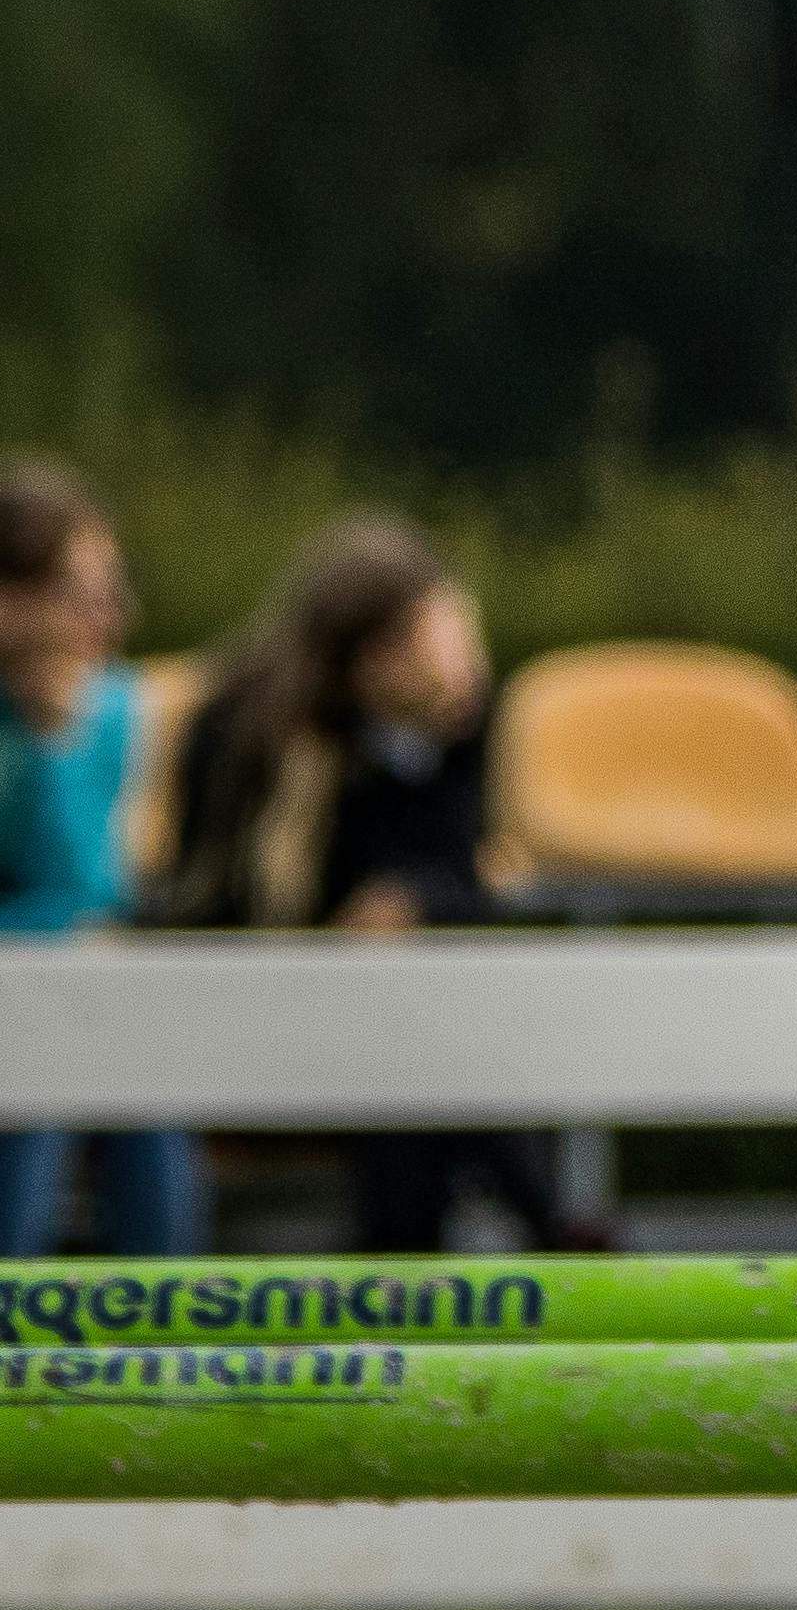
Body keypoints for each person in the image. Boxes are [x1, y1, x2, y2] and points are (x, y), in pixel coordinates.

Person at [159, 515, 602, 1251]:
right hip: (251, 1011)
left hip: (394, 1027)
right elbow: (215, 904)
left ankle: (446, 1279)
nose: (461, 664)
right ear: (369, 656)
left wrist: (410, 892)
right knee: (427, 1042)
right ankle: (554, 1234)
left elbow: (462, 889)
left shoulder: (452, 722)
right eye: (432, 641)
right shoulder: (237, 733)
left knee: (421, 1041)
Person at [0, 461, 206, 1258]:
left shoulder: (111, 708)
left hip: (70, 980)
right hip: (30, 985)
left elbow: (90, 884)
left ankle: (168, 1335)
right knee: (43, 1074)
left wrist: (55, 741)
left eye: (111, 589)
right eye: (80, 593)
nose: (109, 617)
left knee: (134, 1079)